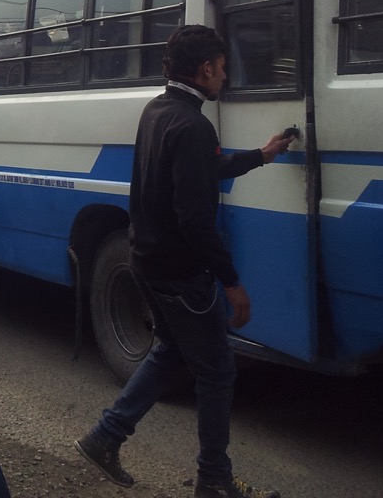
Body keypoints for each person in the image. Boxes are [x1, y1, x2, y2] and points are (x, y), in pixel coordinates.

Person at [74, 25, 292, 498]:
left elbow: (202, 168)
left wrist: (262, 155)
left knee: (170, 350)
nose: (226, 75)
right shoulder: (193, 124)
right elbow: (196, 221)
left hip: (145, 261)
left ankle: (105, 436)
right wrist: (231, 282)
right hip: (180, 273)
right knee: (217, 371)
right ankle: (213, 479)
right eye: (222, 66)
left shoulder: (159, 111)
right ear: (206, 69)